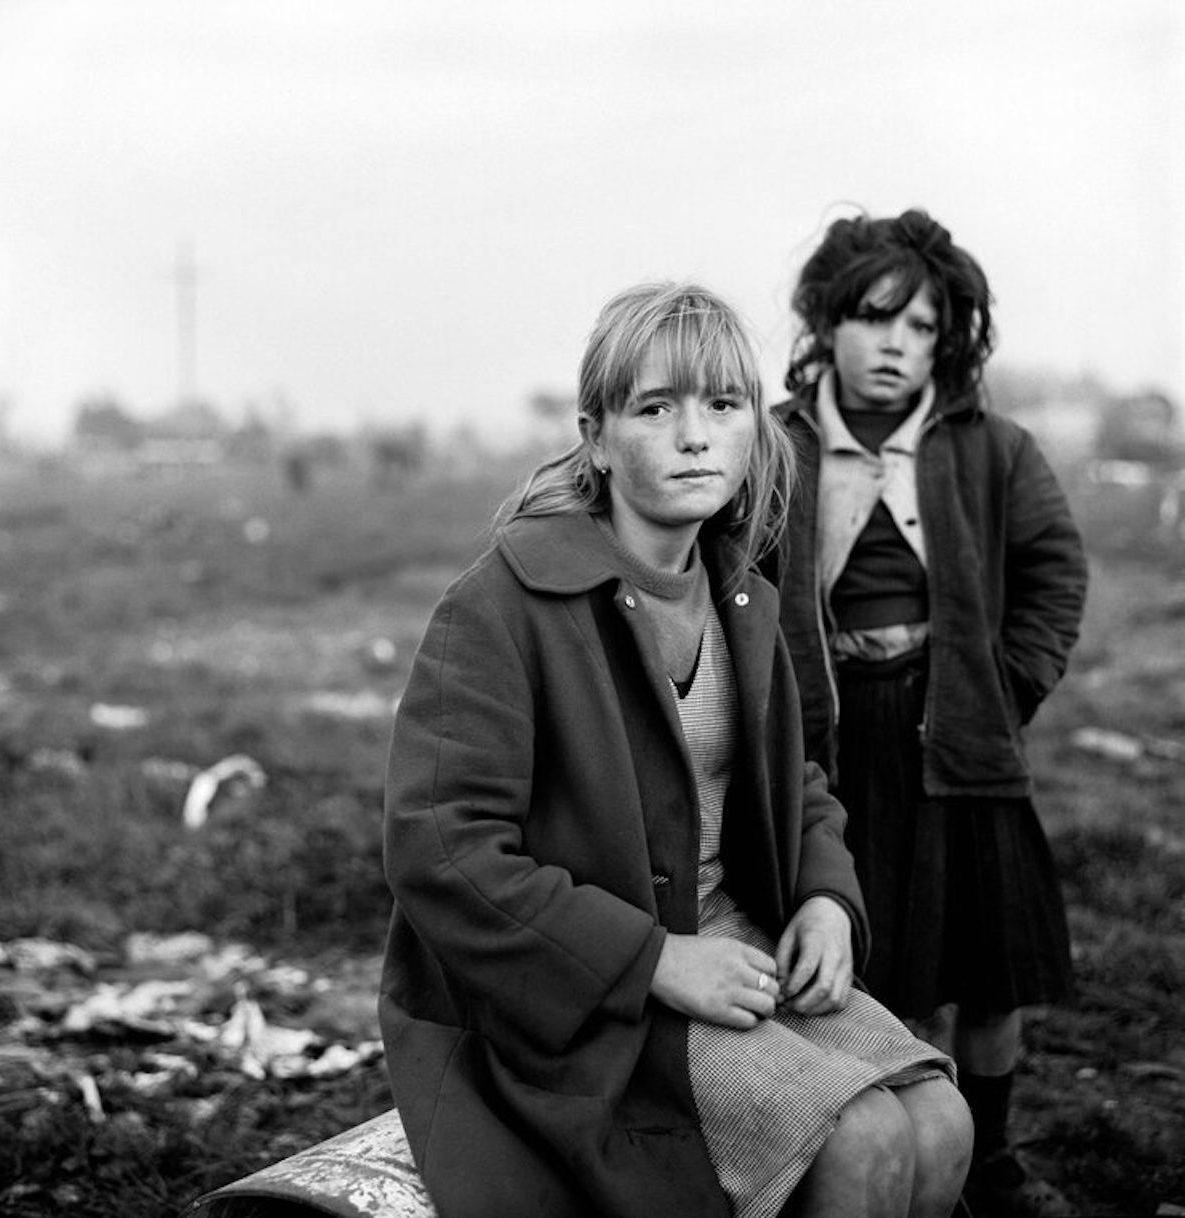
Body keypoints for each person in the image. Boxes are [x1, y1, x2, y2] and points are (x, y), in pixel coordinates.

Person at [378, 281, 972, 1218]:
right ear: (598, 436)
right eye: (657, 408)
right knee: (861, 1143)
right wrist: (651, 960)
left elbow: (797, 782)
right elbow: (441, 848)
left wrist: (825, 897)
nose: (696, 435)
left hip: (735, 943)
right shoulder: (500, 607)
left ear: (752, 430)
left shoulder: (742, 596)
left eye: (723, 405)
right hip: (584, 987)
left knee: (941, 1122)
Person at [764, 210, 1087, 1217]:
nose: (895, 345)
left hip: (959, 733)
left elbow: (1055, 572)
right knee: (883, 968)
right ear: (828, 323)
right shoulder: (776, 446)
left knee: (988, 975)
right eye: (873, 318)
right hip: (832, 736)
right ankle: (910, 1154)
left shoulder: (991, 448)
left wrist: (1008, 686)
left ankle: (990, 1164)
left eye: (920, 327)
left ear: (948, 340)